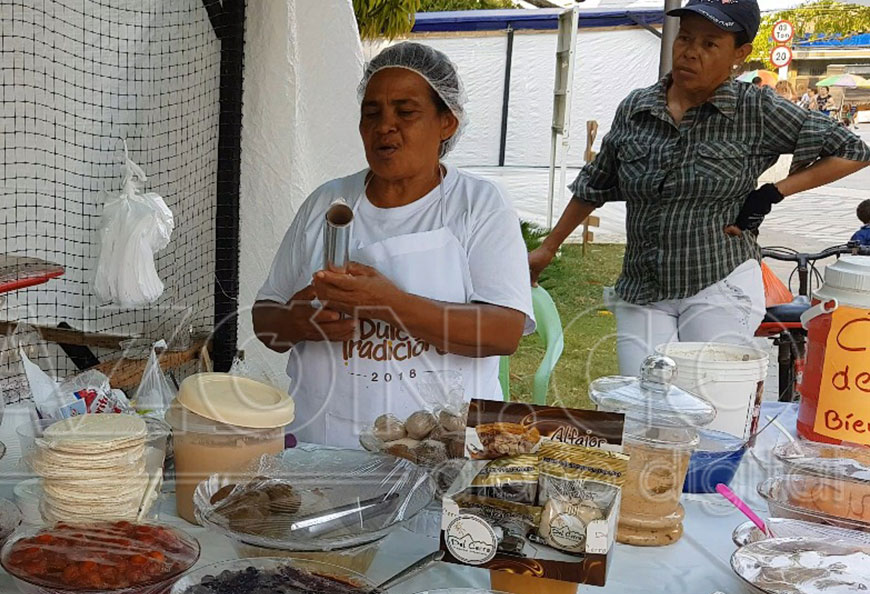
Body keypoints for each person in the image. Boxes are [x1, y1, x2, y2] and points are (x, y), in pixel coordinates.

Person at [528, 0, 870, 376]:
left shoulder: (755, 109)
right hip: (643, 286)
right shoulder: (638, 108)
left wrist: (773, 192)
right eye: (685, 38)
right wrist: (548, 248)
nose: (691, 52)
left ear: (739, 54)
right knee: (642, 400)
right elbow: (595, 183)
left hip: (718, 281)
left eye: (709, 44)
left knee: (710, 400)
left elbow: (853, 151)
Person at [253, 42, 533, 447]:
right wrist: (297, 323)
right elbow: (265, 319)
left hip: (439, 450)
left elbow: (503, 332)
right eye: (372, 113)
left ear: (447, 122)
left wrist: (388, 304)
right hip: (325, 445)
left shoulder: (478, 204)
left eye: (406, 112)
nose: (385, 126)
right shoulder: (326, 203)